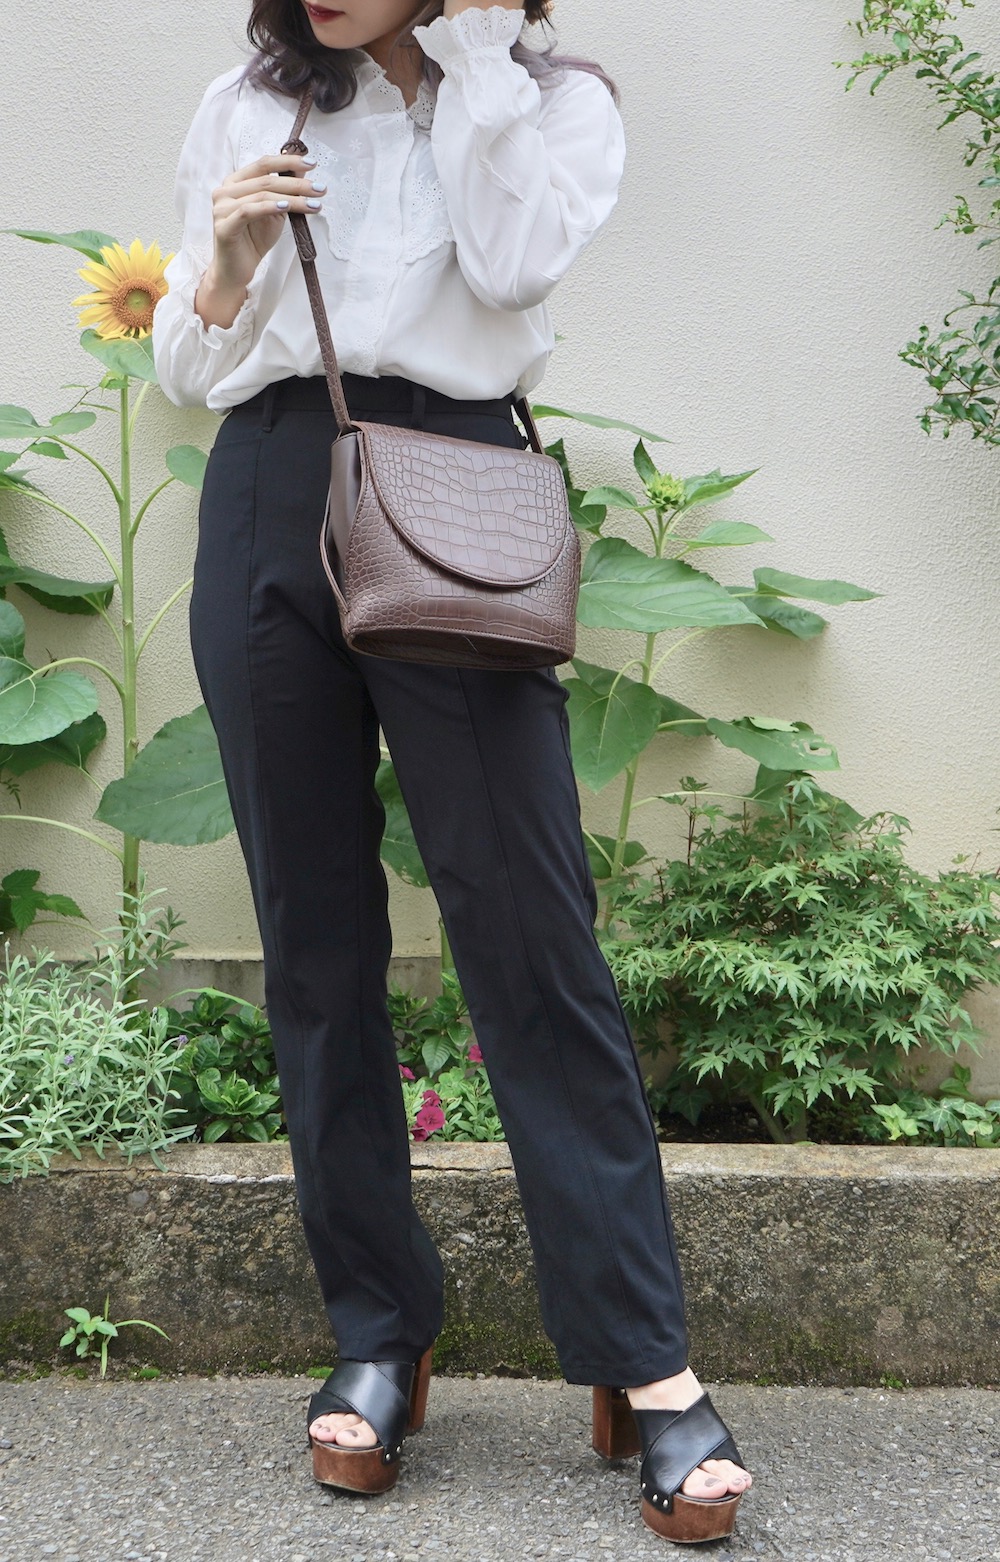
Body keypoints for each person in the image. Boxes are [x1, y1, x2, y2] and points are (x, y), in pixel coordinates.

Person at [152, 0, 754, 1543]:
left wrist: (473, 63)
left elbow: (511, 266)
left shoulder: (551, 102)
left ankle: (644, 1357)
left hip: (456, 489)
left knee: (531, 932)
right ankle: (378, 1328)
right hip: (267, 490)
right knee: (314, 944)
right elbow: (186, 365)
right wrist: (225, 261)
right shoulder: (250, 98)